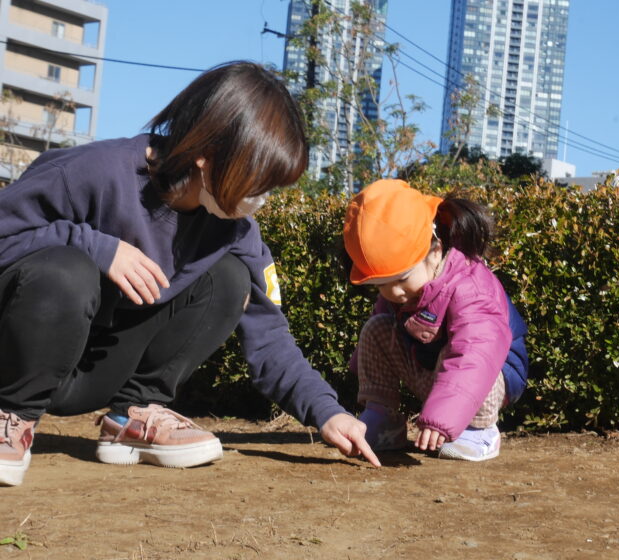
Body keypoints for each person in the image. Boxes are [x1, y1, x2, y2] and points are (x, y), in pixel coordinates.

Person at [0, 61, 379, 487]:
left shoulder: (235, 230)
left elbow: (270, 334)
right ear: (206, 153)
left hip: (93, 373)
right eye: (257, 181)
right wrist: (96, 247)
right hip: (14, 359)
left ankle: (132, 416)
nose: (261, 200)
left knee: (231, 279)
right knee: (67, 270)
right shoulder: (94, 172)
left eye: (271, 187)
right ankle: (10, 417)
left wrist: (328, 411)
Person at [342, 179, 528, 462]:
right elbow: (380, 329)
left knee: (466, 349)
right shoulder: (401, 293)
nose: (393, 292)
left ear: (435, 251)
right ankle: (385, 419)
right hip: (435, 370)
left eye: (402, 278)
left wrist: (441, 418)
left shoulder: (470, 287)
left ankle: (480, 431)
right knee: (376, 329)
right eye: (381, 284)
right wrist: (362, 368)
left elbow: (475, 352)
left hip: (489, 374)